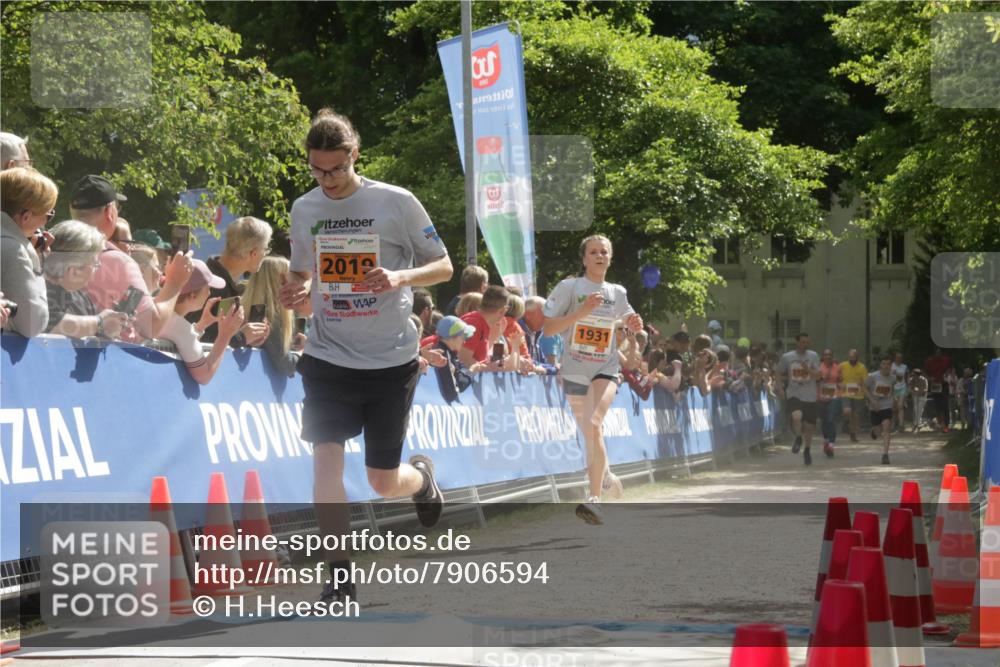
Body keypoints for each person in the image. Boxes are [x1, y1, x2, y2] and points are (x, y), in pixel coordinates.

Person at [278, 109, 453, 605]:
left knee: (381, 481)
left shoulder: (396, 202)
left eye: (335, 168)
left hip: (389, 360)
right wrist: (298, 292)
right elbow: (301, 274)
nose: (326, 179)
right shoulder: (305, 208)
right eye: (317, 169)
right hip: (328, 355)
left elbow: (443, 266)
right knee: (326, 463)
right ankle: (338, 574)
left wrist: (399, 277)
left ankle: (421, 482)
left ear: (355, 156)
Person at [543, 234, 643, 524]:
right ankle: (607, 474)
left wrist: (633, 322)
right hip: (574, 368)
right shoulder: (569, 287)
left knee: (594, 423)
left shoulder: (617, 291)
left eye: (604, 252)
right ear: (584, 258)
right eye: (593, 252)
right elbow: (548, 330)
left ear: (610, 258)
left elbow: (629, 319)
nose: (599, 256)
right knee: (590, 433)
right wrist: (581, 312)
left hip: (606, 367)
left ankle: (594, 499)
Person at [70, 175, 194, 342]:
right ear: (109, 211)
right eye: (117, 207)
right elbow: (151, 325)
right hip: (102, 363)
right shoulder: (119, 262)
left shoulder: (48, 248)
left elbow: (129, 311)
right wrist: (175, 283)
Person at [186, 216, 271, 348]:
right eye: (265, 249)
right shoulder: (208, 283)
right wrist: (241, 337)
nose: (266, 254)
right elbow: (199, 339)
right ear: (253, 253)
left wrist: (247, 337)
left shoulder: (216, 278)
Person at [160, 259, 245, 385]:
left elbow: (182, 339)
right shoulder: (181, 329)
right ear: (193, 295)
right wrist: (225, 336)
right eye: (208, 288)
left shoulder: (154, 308)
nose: (210, 293)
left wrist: (202, 324)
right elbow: (204, 376)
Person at [42, 220, 129, 339]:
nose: (96, 269)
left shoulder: (83, 299)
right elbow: (48, 323)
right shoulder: (38, 291)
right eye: (95, 264)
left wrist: (110, 328)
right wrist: (99, 323)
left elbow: (94, 336)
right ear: (75, 270)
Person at [0, 167, 55, 337]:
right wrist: (37, 263)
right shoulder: (14, 251)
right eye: (48, 215)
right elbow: (32, 323)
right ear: (26, 217)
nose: (45, 224)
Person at [242, 256, 307, 377]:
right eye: (290, 279)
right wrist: (303, 351)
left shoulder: (242, 311)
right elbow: (287, 366)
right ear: (281, 281)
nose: (292, 284)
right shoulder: (270, 319)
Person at [775, 332, 821, 465]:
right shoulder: (787, 357)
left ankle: (807, 450)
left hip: (810, 394)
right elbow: (778, 372)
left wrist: (808, 370)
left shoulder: (813, 356)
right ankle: (798, 437)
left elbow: (818, 376)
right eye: (803, 342)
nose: (805, 344)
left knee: (809, 427)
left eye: (807, 342)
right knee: (796, 416)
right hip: (794, 392)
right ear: (797, 342)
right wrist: (779, 388)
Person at [457, 285, 510, 369]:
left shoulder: (482, 323)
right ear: (502, 310)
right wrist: (489, 368)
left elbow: (485, 359)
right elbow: (464, 359)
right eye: (507, 309)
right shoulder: (474, 323)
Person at [865, 356, 896, 464]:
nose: (886, 366)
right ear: (880, 365)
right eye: (884, 364)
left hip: (887, 405)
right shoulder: (873, 376)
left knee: (886, 427)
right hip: (875, 407)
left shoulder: (893, 378)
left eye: (888, 364)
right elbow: (865, 387)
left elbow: (892, 389)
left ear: (891, 365)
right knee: (878, 430)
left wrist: (893, 401)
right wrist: (872, 400)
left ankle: (885, 455)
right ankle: (873, 431)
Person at [840, 349, 868, 442]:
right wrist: (840, 384)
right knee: (847, 411)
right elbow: (837, 377)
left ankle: (853, 434)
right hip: (846, 393)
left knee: (855, 416)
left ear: (857, 357)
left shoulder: (862, 367)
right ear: (848, 357)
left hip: (858, 395)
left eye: (854, 357)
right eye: (850, 357)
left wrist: (862, 383)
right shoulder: (843, 365)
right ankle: (845, 423)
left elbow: (866, 381)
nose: (852, 359)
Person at [817, 349, 841, 458]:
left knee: (831, 420)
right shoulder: (818, 367)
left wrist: (841, 383)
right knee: (824, 421)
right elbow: (815, 382)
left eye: (830, 355)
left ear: (832, 356)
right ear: (823, 356)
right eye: (825, 354)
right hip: (821, 397)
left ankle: (831, 445)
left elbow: (840, 381)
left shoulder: (837, 367)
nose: (828, 356)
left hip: (834, 396)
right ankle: (826, 440)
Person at [924, 347, 953, 433]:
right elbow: (925, 372)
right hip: (935, 385)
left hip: (943, 384)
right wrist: (929, 378)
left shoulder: (946, 360)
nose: (938, 354)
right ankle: (941, 424)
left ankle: (946, 425)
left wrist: (947, 374)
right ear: (934, 354)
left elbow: (951, 369)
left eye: (939, 353)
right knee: (937, 405)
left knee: (945, 404)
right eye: (936, 353)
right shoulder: (929, 361)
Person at [890, 352, 909, 432]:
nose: (899, 359)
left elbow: (907, 376)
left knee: (900, 406)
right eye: (897, 357)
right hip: (893, 388)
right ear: (895, 358)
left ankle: (901, 425)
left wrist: (908, 387)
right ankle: (893, 424)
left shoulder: (904, 366)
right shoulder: (891, 366)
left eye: (900, 357)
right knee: (894, 409)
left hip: (902, 387)